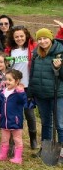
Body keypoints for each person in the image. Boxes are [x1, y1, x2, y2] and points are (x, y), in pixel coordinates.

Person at [26, 28, 63, 157]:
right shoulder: (36, 53)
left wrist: (59, 68)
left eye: (45, 38)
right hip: (41, 94)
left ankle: (61, 153)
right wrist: (30, 93)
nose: (42, 41)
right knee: (46, 123)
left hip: (57, 94)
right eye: (40, 39)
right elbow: (32, 74)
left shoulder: (60, 52)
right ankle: (46, 150)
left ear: (51, 38)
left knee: (60, 124)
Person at [4, 25, 38, 151]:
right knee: (13, 114)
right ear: (13, 38)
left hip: (27, 86)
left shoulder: (32, 48)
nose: (19, 38)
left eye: (21, 36)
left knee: (29, 114)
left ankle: (33, 139)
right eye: (16, 36)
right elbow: (7, 67)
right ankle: (12, 142)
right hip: (13, 87)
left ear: (26, 36)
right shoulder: (10, 50)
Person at [0, 69, 27, 163]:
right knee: (4, 139)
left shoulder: (19, 93)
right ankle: (3, 155)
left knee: (17, 139)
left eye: (10, 80)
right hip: (4, 121)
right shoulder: (2, 93)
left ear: (17, 81)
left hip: (16, 121)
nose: (7, 82)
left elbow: (24, 101)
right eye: (6, 79)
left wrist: (20, 92)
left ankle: (18, 157)